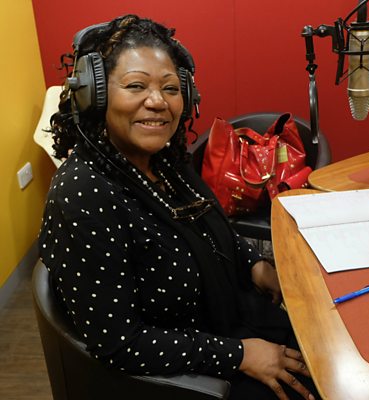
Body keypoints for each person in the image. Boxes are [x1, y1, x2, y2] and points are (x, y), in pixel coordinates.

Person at [38, 14, 320, 400]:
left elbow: (215, 228)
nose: (158, 101)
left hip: (232, 322)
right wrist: (239, 355)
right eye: (136, 86)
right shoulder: (83, 194)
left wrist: (255, 265)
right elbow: (120, 343)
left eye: (170, 88)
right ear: (95, 95)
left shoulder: (167, 161)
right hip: (191, 375)